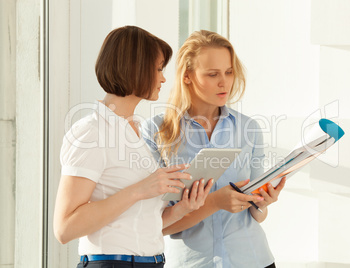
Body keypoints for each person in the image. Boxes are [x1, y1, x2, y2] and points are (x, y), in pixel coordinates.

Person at [53, 26, 213, 268]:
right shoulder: (91, 133)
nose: (163, 78)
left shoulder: (138, 132)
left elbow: (140, 223)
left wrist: (183, 208)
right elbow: (64, 228)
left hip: (151, 262)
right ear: (135, 67)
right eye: (159, 68)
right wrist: (140, 189)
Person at [141, 30, 286, 268]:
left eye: (229, 72)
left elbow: (257, 216)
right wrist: (215, 202)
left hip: (252, 259)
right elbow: (158, 225)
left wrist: (263, 203)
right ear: (187, 76)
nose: (224, 82)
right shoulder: (156, 131)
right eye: (212, 74)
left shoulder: (249, 128)